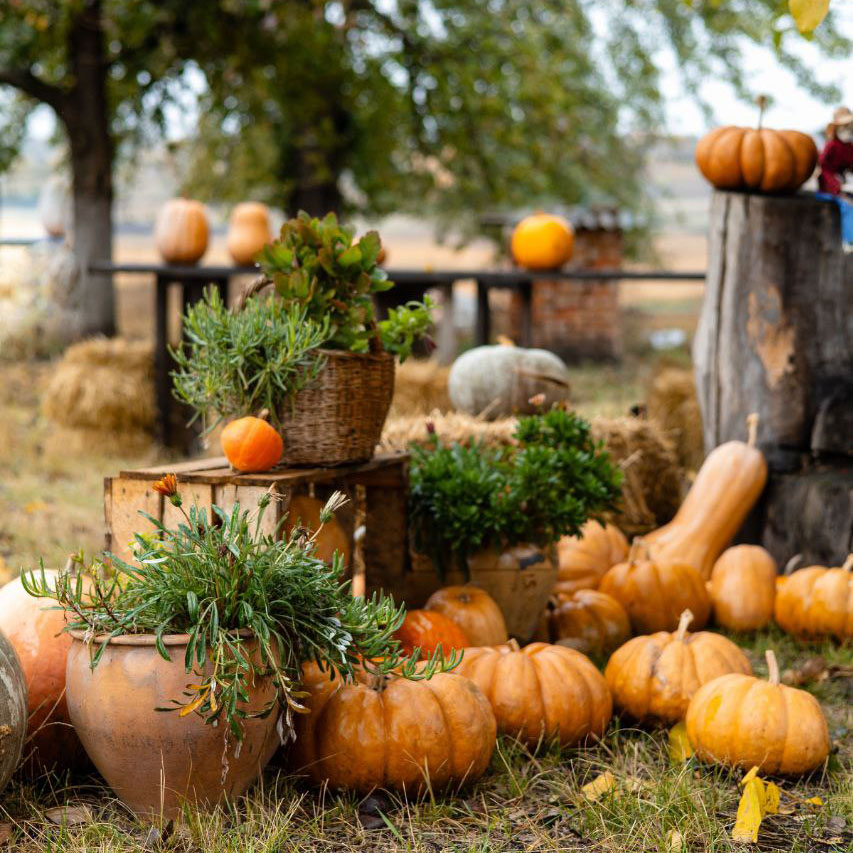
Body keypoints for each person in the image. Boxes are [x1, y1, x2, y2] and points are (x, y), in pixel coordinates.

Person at [818, 106, 853, 197]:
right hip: (830, 185)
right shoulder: (832, 145)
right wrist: (837, 185)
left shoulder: (849, 146)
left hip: (845, 182)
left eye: (849, 127)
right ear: (837, 128)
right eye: (844, 127)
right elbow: (823, 167)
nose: (848, 130)